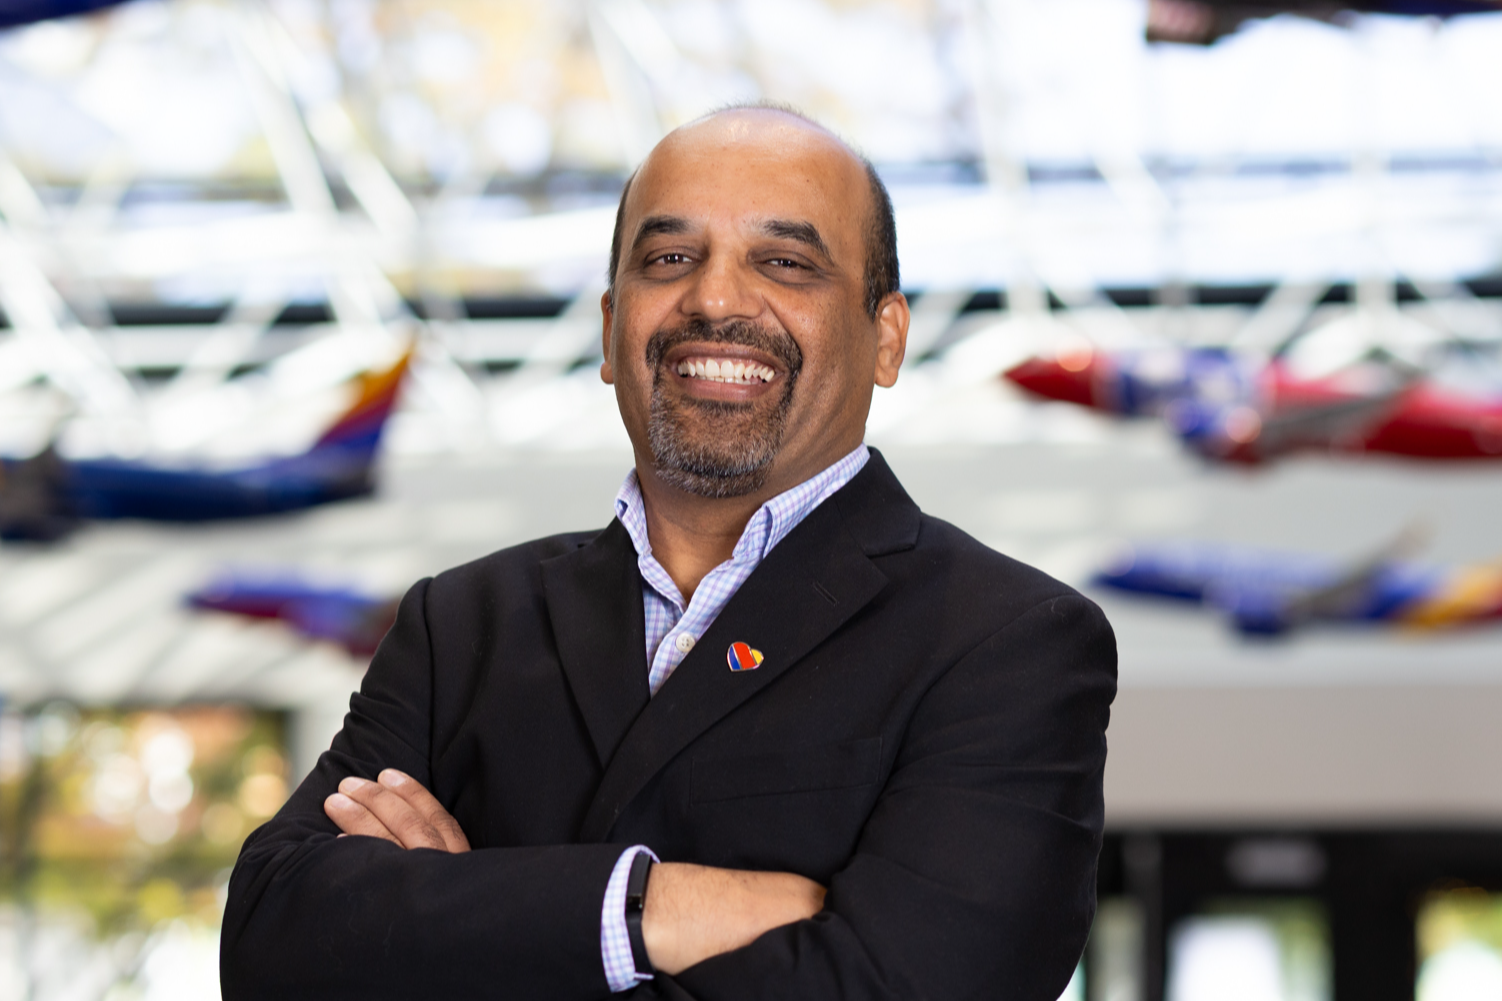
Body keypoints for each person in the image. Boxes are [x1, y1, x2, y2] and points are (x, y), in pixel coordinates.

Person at [220, 104, 1116, 1001]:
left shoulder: (1008, 642)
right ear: (613, 325)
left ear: (885, 337)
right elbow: (269, 944)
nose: (717, 299)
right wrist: (647, 906)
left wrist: (454, 930)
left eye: (786, 263)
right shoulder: (460, 626)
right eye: (670, 259)